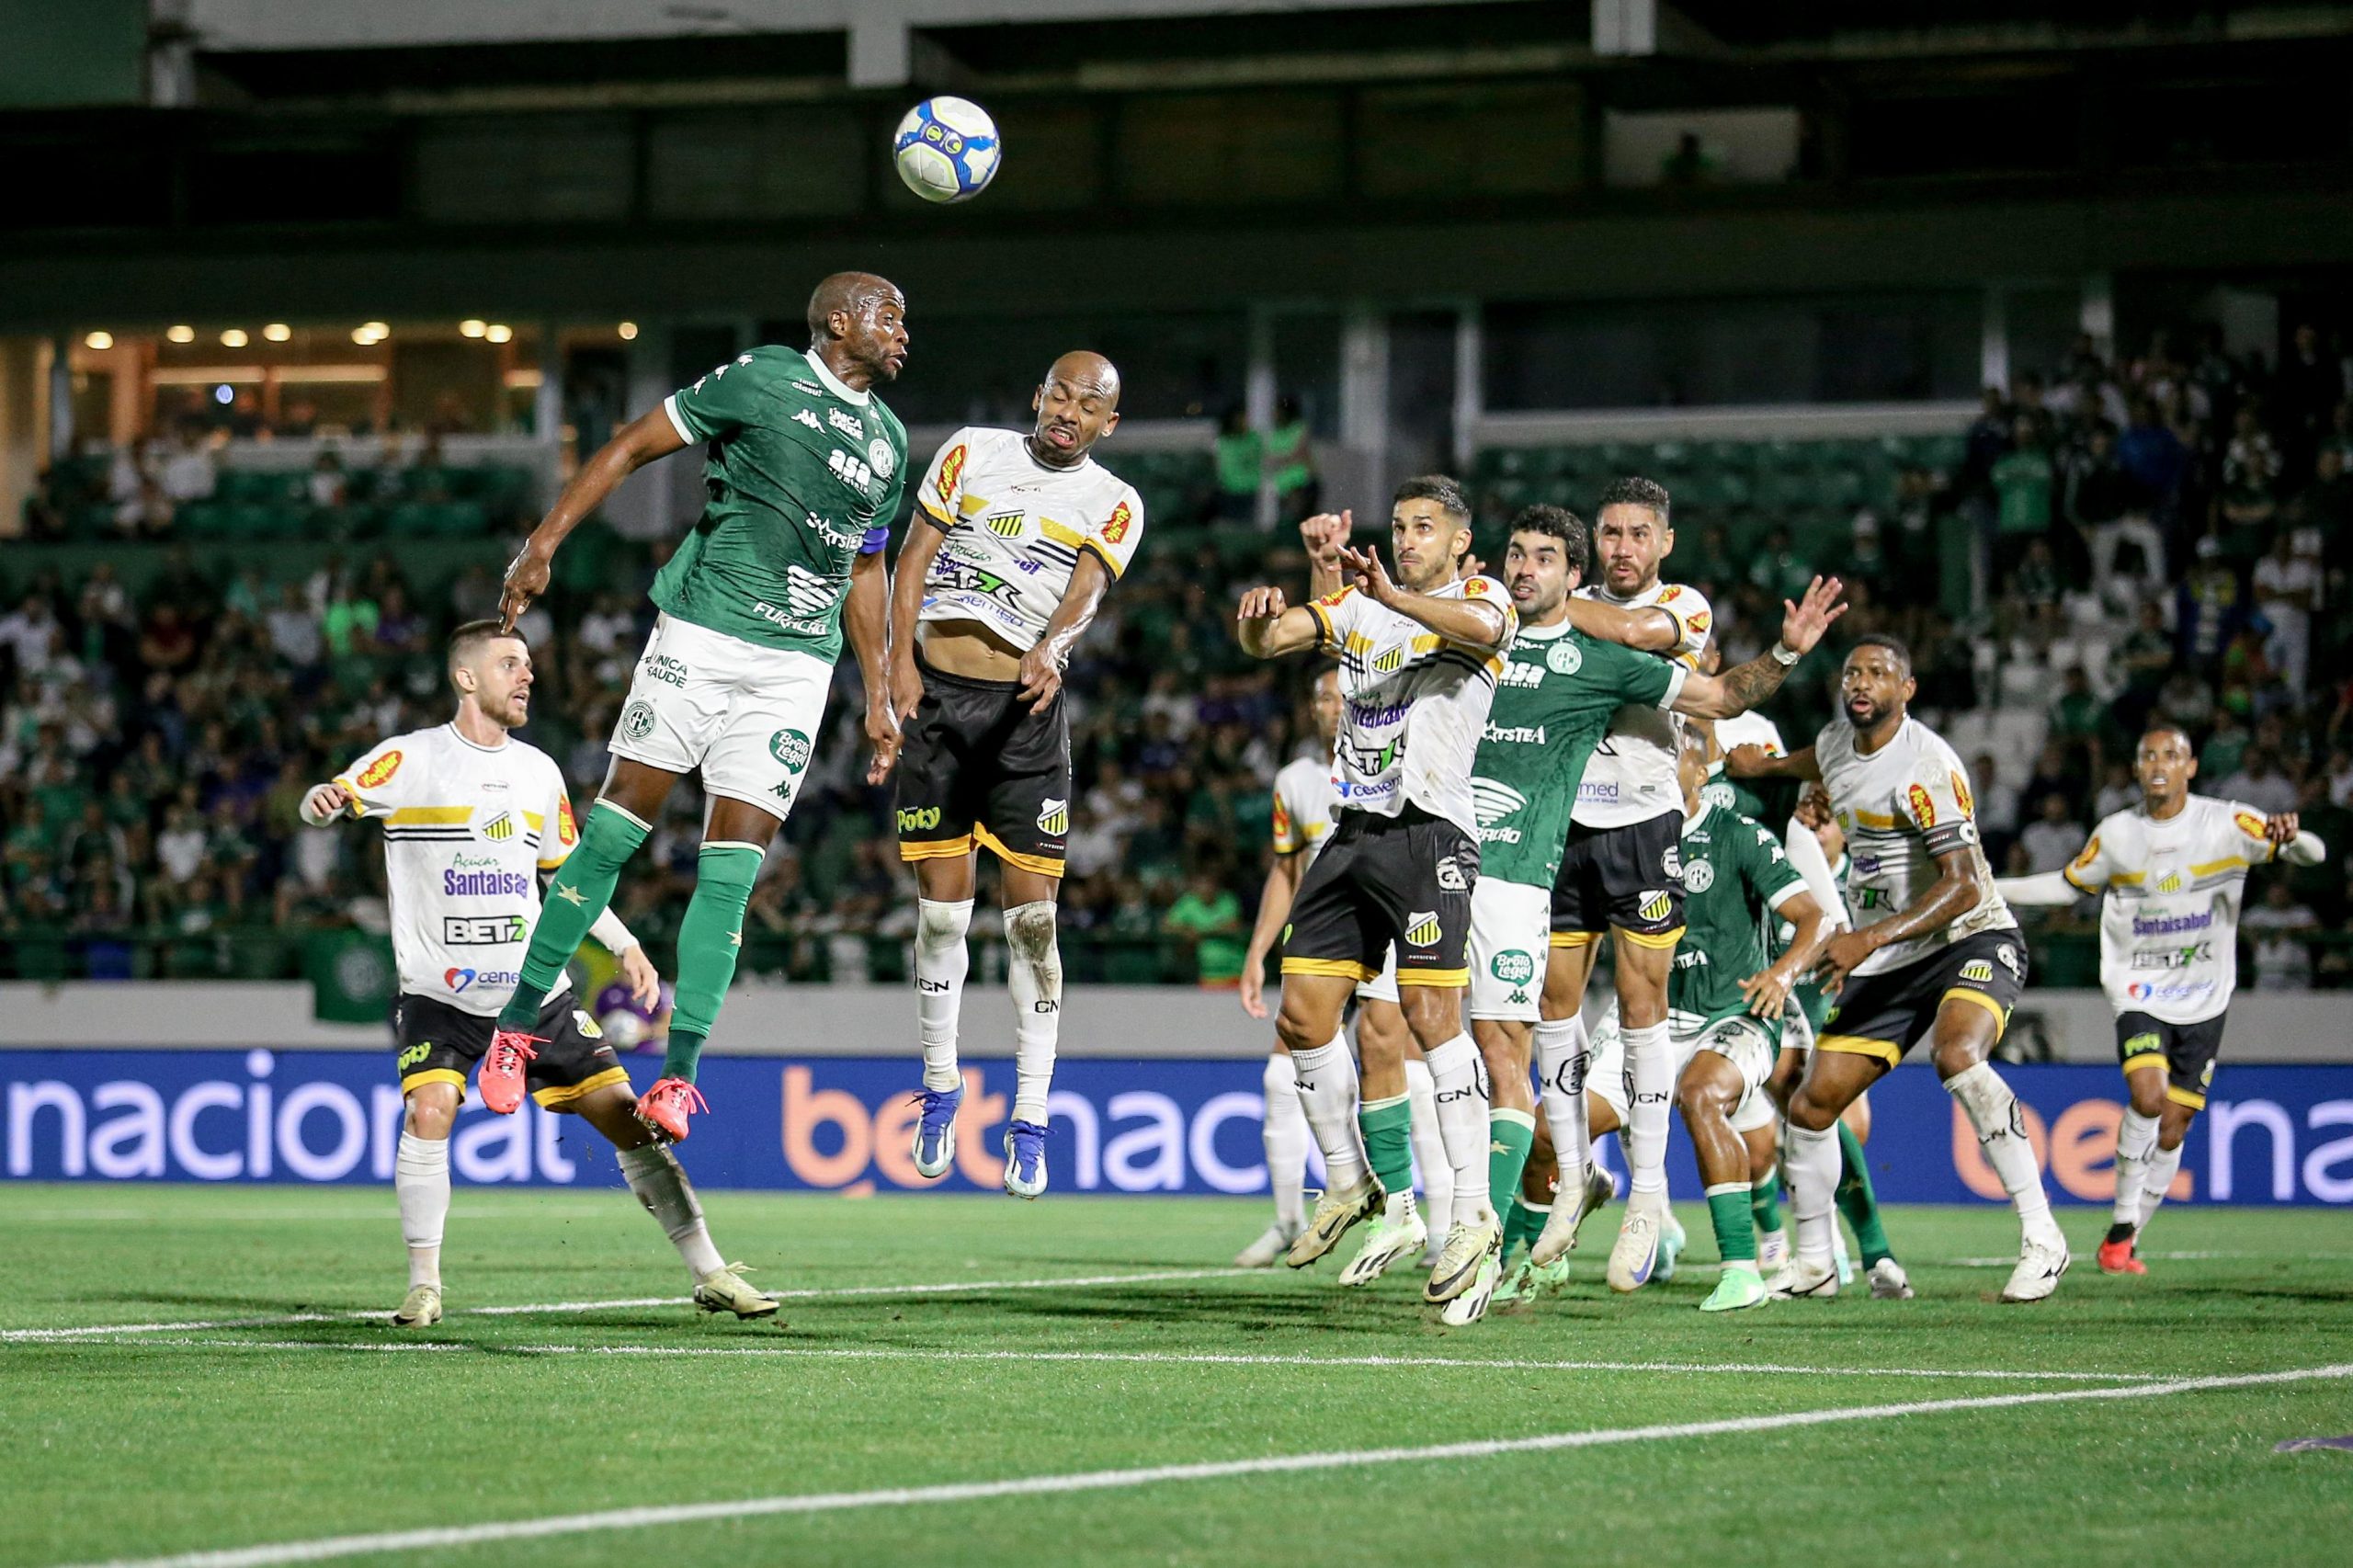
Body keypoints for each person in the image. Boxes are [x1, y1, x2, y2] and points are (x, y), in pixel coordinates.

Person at [489, 272, 910, 1142]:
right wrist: (542, 544)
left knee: (733, 872)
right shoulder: (761, 379)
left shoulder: (889, 440)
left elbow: (866, 570)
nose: (905, 332)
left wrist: (876, 690)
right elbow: (634, 447)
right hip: (705, 633)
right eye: (889, 316)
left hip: (798, 668)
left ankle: (678, 1076)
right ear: (840, 321)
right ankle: (517, 1027)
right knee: (612, 833)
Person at [299, 620, 773, 1327]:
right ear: (466, 678)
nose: (526, 676)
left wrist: (624, 944)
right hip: (441, 998)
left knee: (630, 1123)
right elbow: (330, 796)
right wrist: (323, 803)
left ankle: (709, 1271)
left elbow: (568, 879)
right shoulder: (410, 760)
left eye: (527, 664)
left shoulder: (537, 771)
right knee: (429, 1110)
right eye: (509, 664)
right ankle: (424, 1284)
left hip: (535, 999)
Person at [1459, 505, 1844, 1321]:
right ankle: (1570, 1181)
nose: (1623, 547)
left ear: (1665, 542)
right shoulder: (1552, 610)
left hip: (1641, 826)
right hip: (1558, 827)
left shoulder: (1682, 606)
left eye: (1639, 534)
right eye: (1610, 534)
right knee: (1551, 1011)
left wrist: (1783, 653)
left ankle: (1650, 1200)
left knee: (1644, 1012)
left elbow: (1700, 676)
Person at [1233, 474, 1513, 1314]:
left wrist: (1387, 593)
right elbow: (1283, 637)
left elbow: (1482, 628)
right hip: (1354, 831)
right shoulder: (1362, 608)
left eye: (1425, 527)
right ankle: (1351, 1181)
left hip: (1430, 832)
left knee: (1432, 1022)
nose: (1408, 538)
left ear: (1460, 541)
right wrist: (1253, 629)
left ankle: (1470, 1214)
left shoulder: (1480, 597)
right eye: (1399, 526)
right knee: (1302, 1014)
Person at [1728, 633, 2067, 1302]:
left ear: (1905, 690)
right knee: (1813, 1103)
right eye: (1853, 672)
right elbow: (1811, 764)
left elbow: (1965, 885)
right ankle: (1817, 1262)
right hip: (1891, 958)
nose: (1861, 683)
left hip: (1970, 937)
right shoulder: (1833, 744)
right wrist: (1759, 768)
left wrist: (1866, 937)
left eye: (1879, 674)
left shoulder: (1926, 768)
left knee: (1958, 1055)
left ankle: (2043, 1238)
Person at [880, 351, 1142, 1199]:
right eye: (1059, 394)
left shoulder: (1115, 500)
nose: (1069, 410)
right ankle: (941, 1086)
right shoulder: (970, 450)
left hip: (1023, 720)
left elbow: (1086, 593)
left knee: (1032, 924)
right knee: (943, 920)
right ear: (1037, 397)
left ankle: (1030, 1117)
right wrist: (896, 665)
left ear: (1109, 423)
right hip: (938, 703)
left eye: (1089, 403)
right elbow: (911, 558)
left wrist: (1050, 645)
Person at [1997, 725, 2322, 1273]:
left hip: (2206, 997)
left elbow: (2314, 853)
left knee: (2173, 1127)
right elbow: (2067, 886)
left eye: (2171, 755)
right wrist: (1992, 886)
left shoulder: (2228, 823)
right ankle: (2123, 1223)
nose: (2159, 764)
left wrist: (2293, 838)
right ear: (2135, 767)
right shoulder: (2118, 834)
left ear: (2190, 767)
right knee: (2147, 1098)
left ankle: (2123, 1240)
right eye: (2148, 754)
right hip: (2138, 988)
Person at [1233, 665, 1448, 1272]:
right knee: (1284, 1075)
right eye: (1322, 696)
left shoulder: (1392, 768)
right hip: (1323, 934)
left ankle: (1433, 1226)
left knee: (1405, 1068)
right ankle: (1290, 1218)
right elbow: (1285, 871)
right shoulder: (1296, 782)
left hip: (1387, 917)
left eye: (1341, 695)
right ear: (1312, 711)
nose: (1332, 705)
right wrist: (1257, 951)